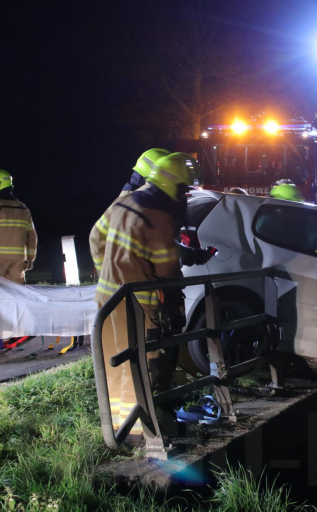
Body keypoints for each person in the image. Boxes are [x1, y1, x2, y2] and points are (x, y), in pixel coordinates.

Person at [94, 152, 212, 439]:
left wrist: (111, 275)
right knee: (149, 366)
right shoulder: (159, 217)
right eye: (185, 189)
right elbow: (167, 267)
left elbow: (96, 239)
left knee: (118, 364)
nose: (185, 196)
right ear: (174, 186)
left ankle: (122, 427)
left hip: (107, 300)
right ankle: (145, 430)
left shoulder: (125, 204)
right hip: (141, 306)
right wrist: (171, 301)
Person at [0, 170, 37, 284]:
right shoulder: (23, 208)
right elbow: (32, 237)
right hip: (19, 259)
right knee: (17, 293)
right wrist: (30, 259)